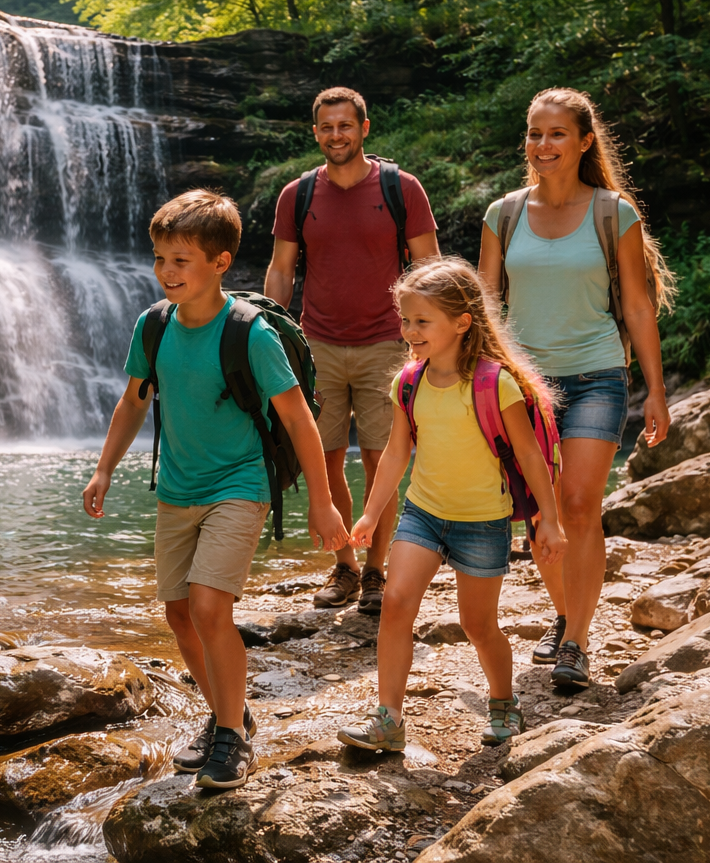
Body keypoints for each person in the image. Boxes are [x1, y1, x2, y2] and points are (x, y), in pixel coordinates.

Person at [83, 189, 347, 789]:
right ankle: (233, 713)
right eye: (160, 259)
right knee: (179, 614)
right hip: (177, 488)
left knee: (209, 607)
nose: (167, 272)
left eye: (181, 260)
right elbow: (132, 403)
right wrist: (103, 469)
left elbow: (299, 419)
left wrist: (325, 500)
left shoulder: (250, 335)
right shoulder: (152, 326)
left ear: (221, 262)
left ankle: (229, 737)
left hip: (240, 484)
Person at [478, 87, 675, 691]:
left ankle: (577, 641)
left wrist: (656, 390)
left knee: (581, 506)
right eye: (535, 134)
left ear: (584, 141)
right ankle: (565, 613)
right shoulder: (503, 214)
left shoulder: (614, 212)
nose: (543, 145)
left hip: (597, 375)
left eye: (556, 133)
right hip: (524, 386)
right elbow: (484, 308)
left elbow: (638, 308)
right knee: (542, 516)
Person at [337, 257, 566, 752]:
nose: (410, 331)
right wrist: (373, 513)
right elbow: (398, 451)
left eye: (422, 321)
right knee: (395, 605)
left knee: (478, 626)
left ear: (462, 323)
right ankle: (389, 720)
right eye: (405, 320)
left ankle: (503, 701)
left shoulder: (493, 382)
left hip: (482, 523)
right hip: (423, 513)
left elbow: (528, 454)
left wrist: (549, 519)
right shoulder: (408, 381)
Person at [265, 87, 440, 615]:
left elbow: (428, 265)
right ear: (314, 132)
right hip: (317, 343)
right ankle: (344, 563)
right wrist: (271, 331)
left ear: (364, 128)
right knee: (324, 458)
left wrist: (430, 338)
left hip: (388, 343)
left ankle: (376, 570)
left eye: (345, 126)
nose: (335, 135)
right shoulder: (296, 195)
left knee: (382, 457)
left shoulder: (400, 188)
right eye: (326, 127)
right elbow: (281, 268)